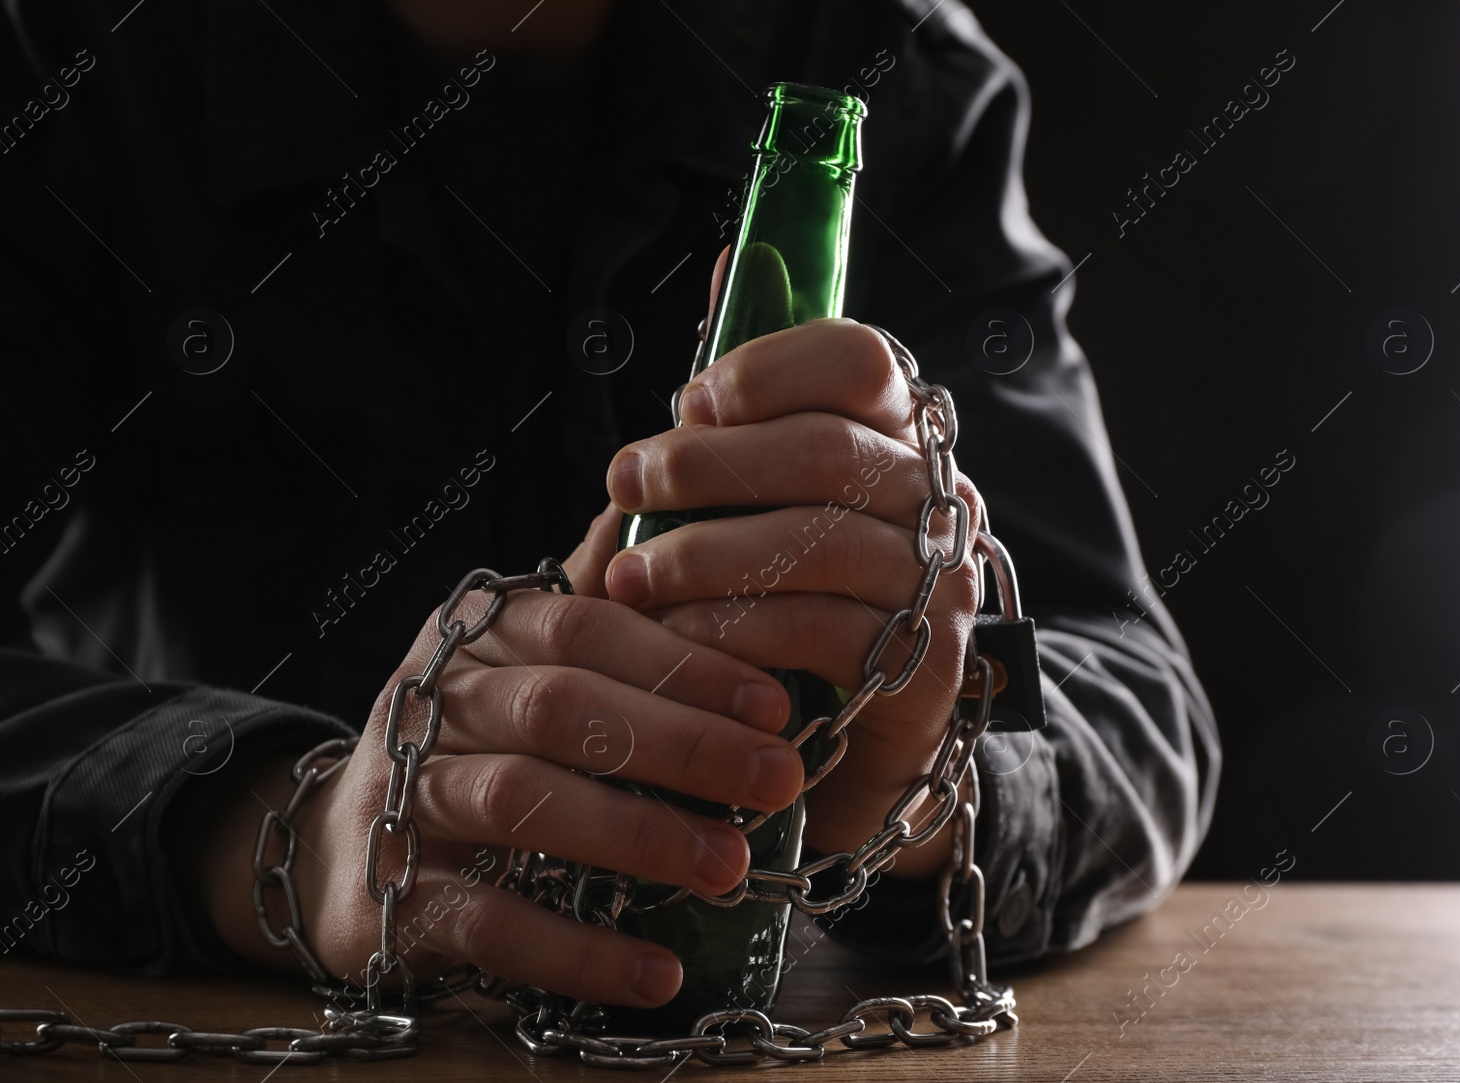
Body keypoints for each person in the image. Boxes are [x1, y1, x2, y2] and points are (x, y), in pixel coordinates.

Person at [0, 0, 1217, 1015]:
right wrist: (279, 828)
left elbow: (1132, 695)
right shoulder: (63, 55)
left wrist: (913, 778)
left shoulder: (886, 71)